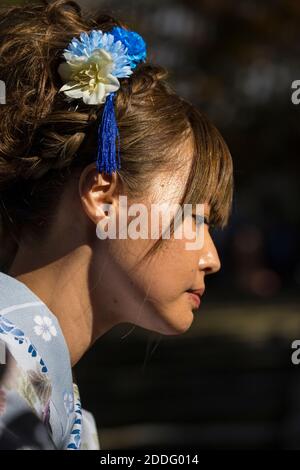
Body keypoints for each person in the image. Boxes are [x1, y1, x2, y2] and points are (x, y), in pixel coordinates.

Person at [0, 0, 234, 450]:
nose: (212, 258)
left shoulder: (51, 403)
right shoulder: (10, 389)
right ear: (102, 197)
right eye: (194, 218)